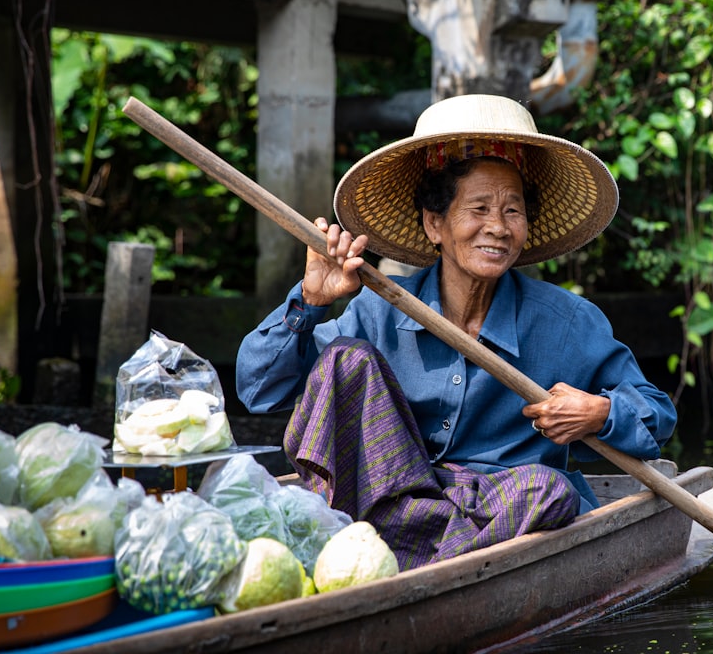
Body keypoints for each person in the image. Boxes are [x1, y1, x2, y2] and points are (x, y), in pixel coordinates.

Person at [236, 94, 677, 570]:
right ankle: (400, 556)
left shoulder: (568, 322)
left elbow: (657, 415)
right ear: (434, 223)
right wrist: (309, 301)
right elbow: (259, 390)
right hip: (392, 505)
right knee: (344, 360)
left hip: (500, 512)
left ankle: (421, 573)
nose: (498, 228)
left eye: (513, 211)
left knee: (547, 489)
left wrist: (599, 413)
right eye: (480, 208)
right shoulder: (379, 309)